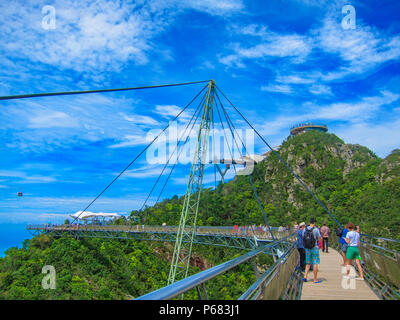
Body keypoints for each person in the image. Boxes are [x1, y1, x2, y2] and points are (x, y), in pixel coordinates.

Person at [302, 218, 322, 283]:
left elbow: (303, 237)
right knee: (315, 263)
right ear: (314, 223)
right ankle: (315, 279)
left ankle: (305, 276)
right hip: (314, 247)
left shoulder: (305, 229)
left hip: (307, 248)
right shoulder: (316, 229)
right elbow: (319, 239)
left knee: (308, 263)